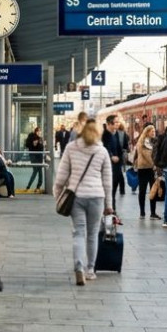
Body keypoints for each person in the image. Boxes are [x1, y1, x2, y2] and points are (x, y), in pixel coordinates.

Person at [54, 117, 113, 286]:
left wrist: (58, 195)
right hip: (96, 196)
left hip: (77, 197)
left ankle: (78, 267)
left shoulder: (71, 148)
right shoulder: (102, 151)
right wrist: (109, 206)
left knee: (79, 232)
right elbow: (107, 182)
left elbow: (61, 177)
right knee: (93, 234)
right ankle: (90, 270)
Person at [132, 124, 159, 220]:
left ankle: (153, 212)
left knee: (153, 191)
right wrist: (154, 165)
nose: (154, 133)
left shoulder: (153, 142)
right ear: (147, 132)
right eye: (152, 131)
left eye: (154, 131)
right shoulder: (141, 142)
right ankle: (142, 212)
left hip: (151, 170)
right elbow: (146, 156)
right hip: (143, 169)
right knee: (142, 191)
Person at [102, 115, 129, 198]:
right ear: (110, 123)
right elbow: (104, 148)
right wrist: (111, 156)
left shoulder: (117, 134)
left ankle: (111, 207)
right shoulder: (104, 135)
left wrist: (122, 157)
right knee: (109, 189)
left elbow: (122, 147)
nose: (118, 124)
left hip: (117, 165)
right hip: (108, 165)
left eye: (118, 122)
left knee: (113, 187)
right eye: (116, 122)